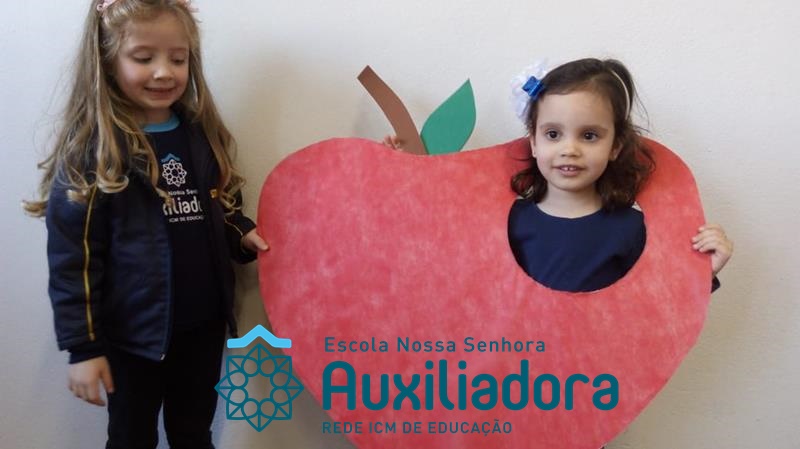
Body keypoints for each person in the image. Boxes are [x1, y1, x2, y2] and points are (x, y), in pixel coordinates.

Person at [24, 1, 268, 448]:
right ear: (107, 59)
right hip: (133, 336)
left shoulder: (200, 133)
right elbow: (74, 261)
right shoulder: (96, 152)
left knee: (193, 433)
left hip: (203, 326)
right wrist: (83, 348)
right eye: (143, 57)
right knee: (131, 437)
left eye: (178, 58)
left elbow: (221, 203)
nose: (163, 72)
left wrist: (242, 234)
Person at [506, 57, 731, 292]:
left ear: (615, 146)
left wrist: (704, 271)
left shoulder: (633, 230)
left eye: (589, 136)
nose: (569, 150)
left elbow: (660, 302)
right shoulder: (509, 223)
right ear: (534, 142)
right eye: (553, 134)